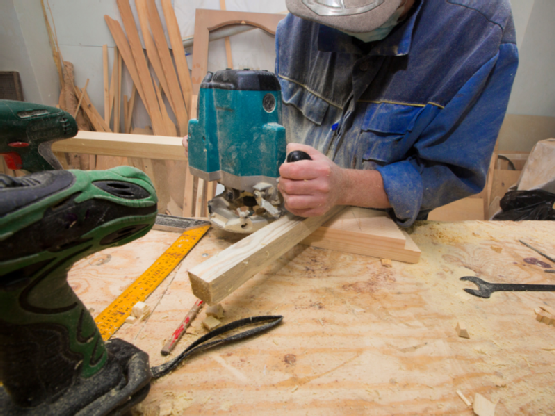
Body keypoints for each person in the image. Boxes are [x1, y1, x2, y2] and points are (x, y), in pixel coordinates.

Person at [276, 0, 519, 226]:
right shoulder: (303, 15)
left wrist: (347, 187)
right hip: (293, 224)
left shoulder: (479, 29)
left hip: (379, 233)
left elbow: (450, 173)